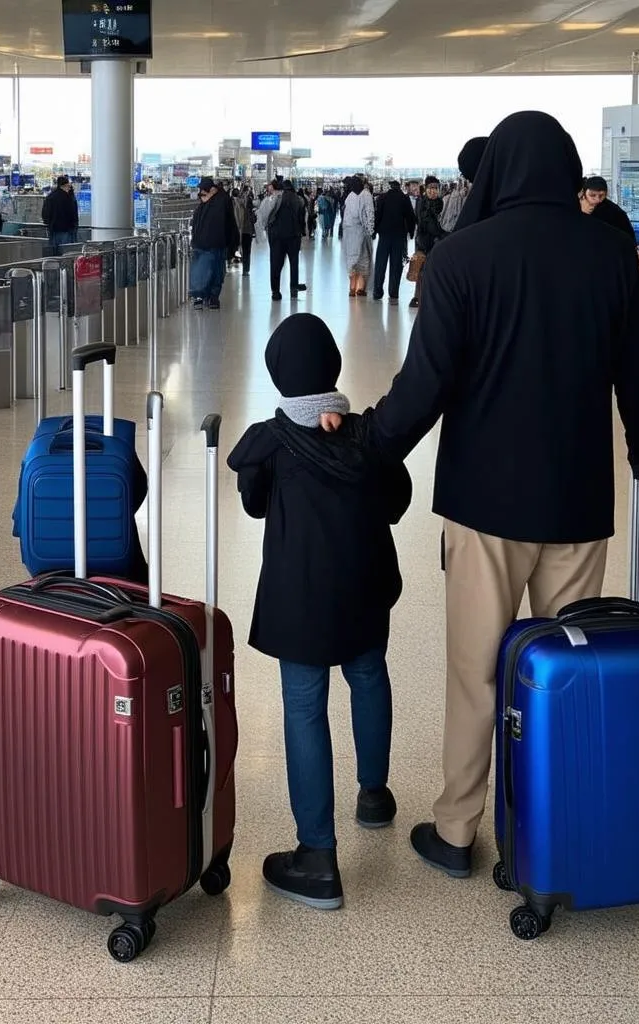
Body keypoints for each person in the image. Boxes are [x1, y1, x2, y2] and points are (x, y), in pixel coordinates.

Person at [350, 112, 639, 878]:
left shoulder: (464, 256)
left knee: (478, 671)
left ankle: (458, 831)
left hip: (486, 502)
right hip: (577, 503)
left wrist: (365, 448)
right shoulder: (608, 255)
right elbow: (637, 366)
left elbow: (424, 385)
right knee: (566, 668)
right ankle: (555, 825)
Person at [227, 313, 412, 910]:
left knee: (305, 708)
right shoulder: (364, 435)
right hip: (363, 586)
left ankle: (317, 857)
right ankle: (375, 795)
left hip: (300, 596)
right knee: (368, 676)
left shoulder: (268, 442)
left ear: (278, 375)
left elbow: (253, 504)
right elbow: (397, 500)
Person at [189, 177, 238, 310]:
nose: (201, 195)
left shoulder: (222, 201)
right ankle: (201, 295)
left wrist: (232, 243)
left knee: (214, 271)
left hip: (216, 243)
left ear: (212, 190)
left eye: (203, 192)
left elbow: (229, 223)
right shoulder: (203, 203)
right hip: (200, 243)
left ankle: (211, 296)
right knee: (201, 270)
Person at [372, 181, 417, 305]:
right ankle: (393, 292)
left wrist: (374, 231)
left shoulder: (383, 197)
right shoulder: (404, 198)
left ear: (390, 187)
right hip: (398, 235)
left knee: (380, 264)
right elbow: (410, 217)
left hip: (384, 235)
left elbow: (378, 215)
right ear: (399, 187)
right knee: (396, 265)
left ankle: (377, 292)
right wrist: (411, 232)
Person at [265, 179, 307, 301]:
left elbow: (269, 216)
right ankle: (293, 289)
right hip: (294, 236)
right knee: (294, 263)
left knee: (275, 264)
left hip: (277, 237)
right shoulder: (299, 199)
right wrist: (302, 232)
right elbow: (301, 219)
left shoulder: (277, 198)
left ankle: (275, 292)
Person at [410, 175, 447, 309]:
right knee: (421, 269)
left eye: (436, 188)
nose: (433, 191)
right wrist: (442, 234)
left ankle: (427, 297)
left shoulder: (440, 202)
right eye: (431, 188)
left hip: (434, 241)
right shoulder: (422, 202)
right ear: (426, 189)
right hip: (423, 240)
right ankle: (418, 297)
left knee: (430, 270)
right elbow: (424, 222)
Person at [343, 175, 375, 297]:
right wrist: (370, 231)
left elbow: (368, 213)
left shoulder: (353, 196)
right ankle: (359, 288)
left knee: (355, 260)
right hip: (358, 232)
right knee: (362, 260)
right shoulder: (364, 195)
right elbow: (370, 213)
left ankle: (354, 288)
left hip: (354, 232)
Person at [41, 175, 79, 255]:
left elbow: (45, 213)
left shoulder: (50, 197)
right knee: (66, 253)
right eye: (68, 186)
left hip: (53, 230)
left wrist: (48, 223)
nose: (69, 188)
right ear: (64, 185)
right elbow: (73, 213)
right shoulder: (69, 198)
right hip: (66, 230)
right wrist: (74, 226)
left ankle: (55, 267)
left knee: (54, 253)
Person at [233, 187, 257, 277]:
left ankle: (245, 268)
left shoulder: (236, 204)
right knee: (246, 250)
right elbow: (253, 219)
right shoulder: (244, 205)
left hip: (243, 230)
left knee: (244, 249)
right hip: (246, 230)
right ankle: (245, 269)